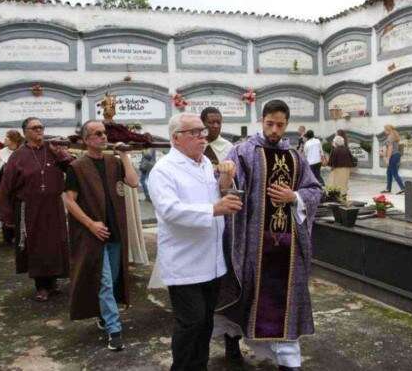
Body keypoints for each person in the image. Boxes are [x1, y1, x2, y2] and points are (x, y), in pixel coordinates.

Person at [216, 100, 322, 371]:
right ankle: (232, 339)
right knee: (246, 293)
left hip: (287, 246)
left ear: (286, 124)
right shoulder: (243, 152)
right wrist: (226, 178)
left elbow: (314, 190)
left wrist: (294, 196)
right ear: (261, 121)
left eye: (280, 125)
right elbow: (227, 188)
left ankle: (288, 360)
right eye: (270, 124)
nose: (275, 130)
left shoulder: (295, 156)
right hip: (252, 242)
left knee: (285, 299)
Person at [147, 113, 242, 371]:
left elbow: (216, 195)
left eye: (203, 132)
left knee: (206, 323)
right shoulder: (163, 170)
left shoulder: (203, 164)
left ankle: (198, 367)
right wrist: (214, 209)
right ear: (176, 138)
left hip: (211, 261)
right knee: (191, 323)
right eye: (195, 133)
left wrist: (224, 182)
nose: (203, 136)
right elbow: (170, 210)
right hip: (185, 264)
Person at [64, 120, 139, 352]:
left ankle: (103, 315)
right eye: (97, 134)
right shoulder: (77, 167)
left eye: (104, 133)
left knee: (113, 279)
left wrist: (124, 155)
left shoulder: (113, 162)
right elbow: (68, 200)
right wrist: (90, 224)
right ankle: (114, 330)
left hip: (115, 231)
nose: (103, 137)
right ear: (86, 140)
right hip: (93, 234)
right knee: (104, 282)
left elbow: (134, 182)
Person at [0, 117, 73, 302]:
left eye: (41, 127)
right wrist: (6, 216)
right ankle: (41, 286)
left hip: (53, 207)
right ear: (25, 132)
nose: (39, 130)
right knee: (37, 247)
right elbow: (6, 188)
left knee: (56, 244)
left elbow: (73, 169)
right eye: (34, 128)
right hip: (30, 209)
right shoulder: (18, 156)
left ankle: (53, 282)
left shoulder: (53, 149)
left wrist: (62, 154)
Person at [0, 130, 25, 244]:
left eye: (7, 137)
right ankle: (8, 238)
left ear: (13, 140)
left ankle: (20, 236)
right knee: (6, 210)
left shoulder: (23, 152)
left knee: (19, 212)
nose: (4, 139)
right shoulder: (2, 152)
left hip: (19, 188)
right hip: (5, 187)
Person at [381, 125, 405, 195]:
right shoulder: (394, 135)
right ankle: (388, 188)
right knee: (389, 172)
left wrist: (388, 158)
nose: (384, 131)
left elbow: (390, 148)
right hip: (396, 155)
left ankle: (403, 188)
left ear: (388, 130)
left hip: (393, 156)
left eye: (385, 130)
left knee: (394, 173)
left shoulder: (390, 137)